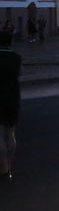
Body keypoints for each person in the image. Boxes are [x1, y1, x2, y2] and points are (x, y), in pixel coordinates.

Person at [0, 31, 22, 180]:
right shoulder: (17, 58)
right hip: (13, 98)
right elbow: (20, 74)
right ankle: (9, 166)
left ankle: (3, 167)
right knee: (10, 134)